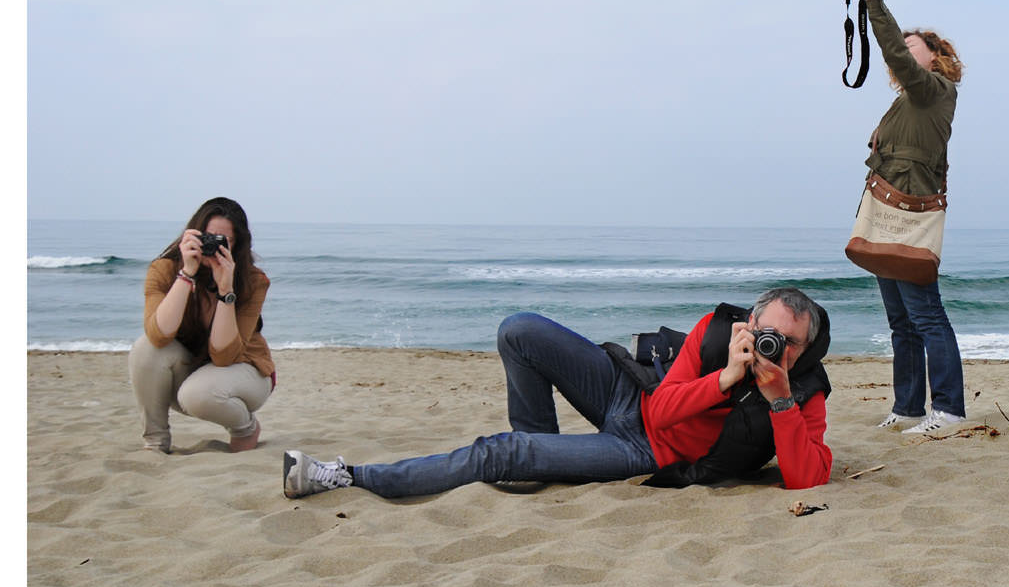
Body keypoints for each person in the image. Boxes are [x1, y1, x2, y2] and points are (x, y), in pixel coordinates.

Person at [282, 287, 833, 499]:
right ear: (749, 321)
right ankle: (540, 452)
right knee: (518, 329)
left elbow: (807, 477)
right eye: (769, 334)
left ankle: (351, 475)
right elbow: (662, 408)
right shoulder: (716, 333)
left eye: (790, 345)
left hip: (644, 452)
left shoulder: (804, 391)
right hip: (631, 399)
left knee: (497, 453)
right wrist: (725, 378)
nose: (775, 348)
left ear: (806, 350)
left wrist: (780, 398)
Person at [856, 0, 969, 439]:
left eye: (911, 47)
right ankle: (907, 407)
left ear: (934, 58)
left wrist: (873, 0)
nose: (901, 53)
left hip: (908, 214)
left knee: (925, 314)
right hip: (886, 213)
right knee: (901, 321)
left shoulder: (935, 91)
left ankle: (948, 410)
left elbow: (897, 58)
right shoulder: (905, 100)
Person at [131, 197, 274, 454]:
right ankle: (155, 441)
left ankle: (246, 428)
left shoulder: (253, 281)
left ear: (237, 245)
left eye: (222, 242)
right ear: (191, 235)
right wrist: (186, 274)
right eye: (206, 238)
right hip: (194, 369)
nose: (211, 247)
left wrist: (226, 290)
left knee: (197, 394)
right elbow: (159, 336)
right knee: (146, 348)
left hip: (245, 372)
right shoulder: (163, 270)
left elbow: (224, 356)